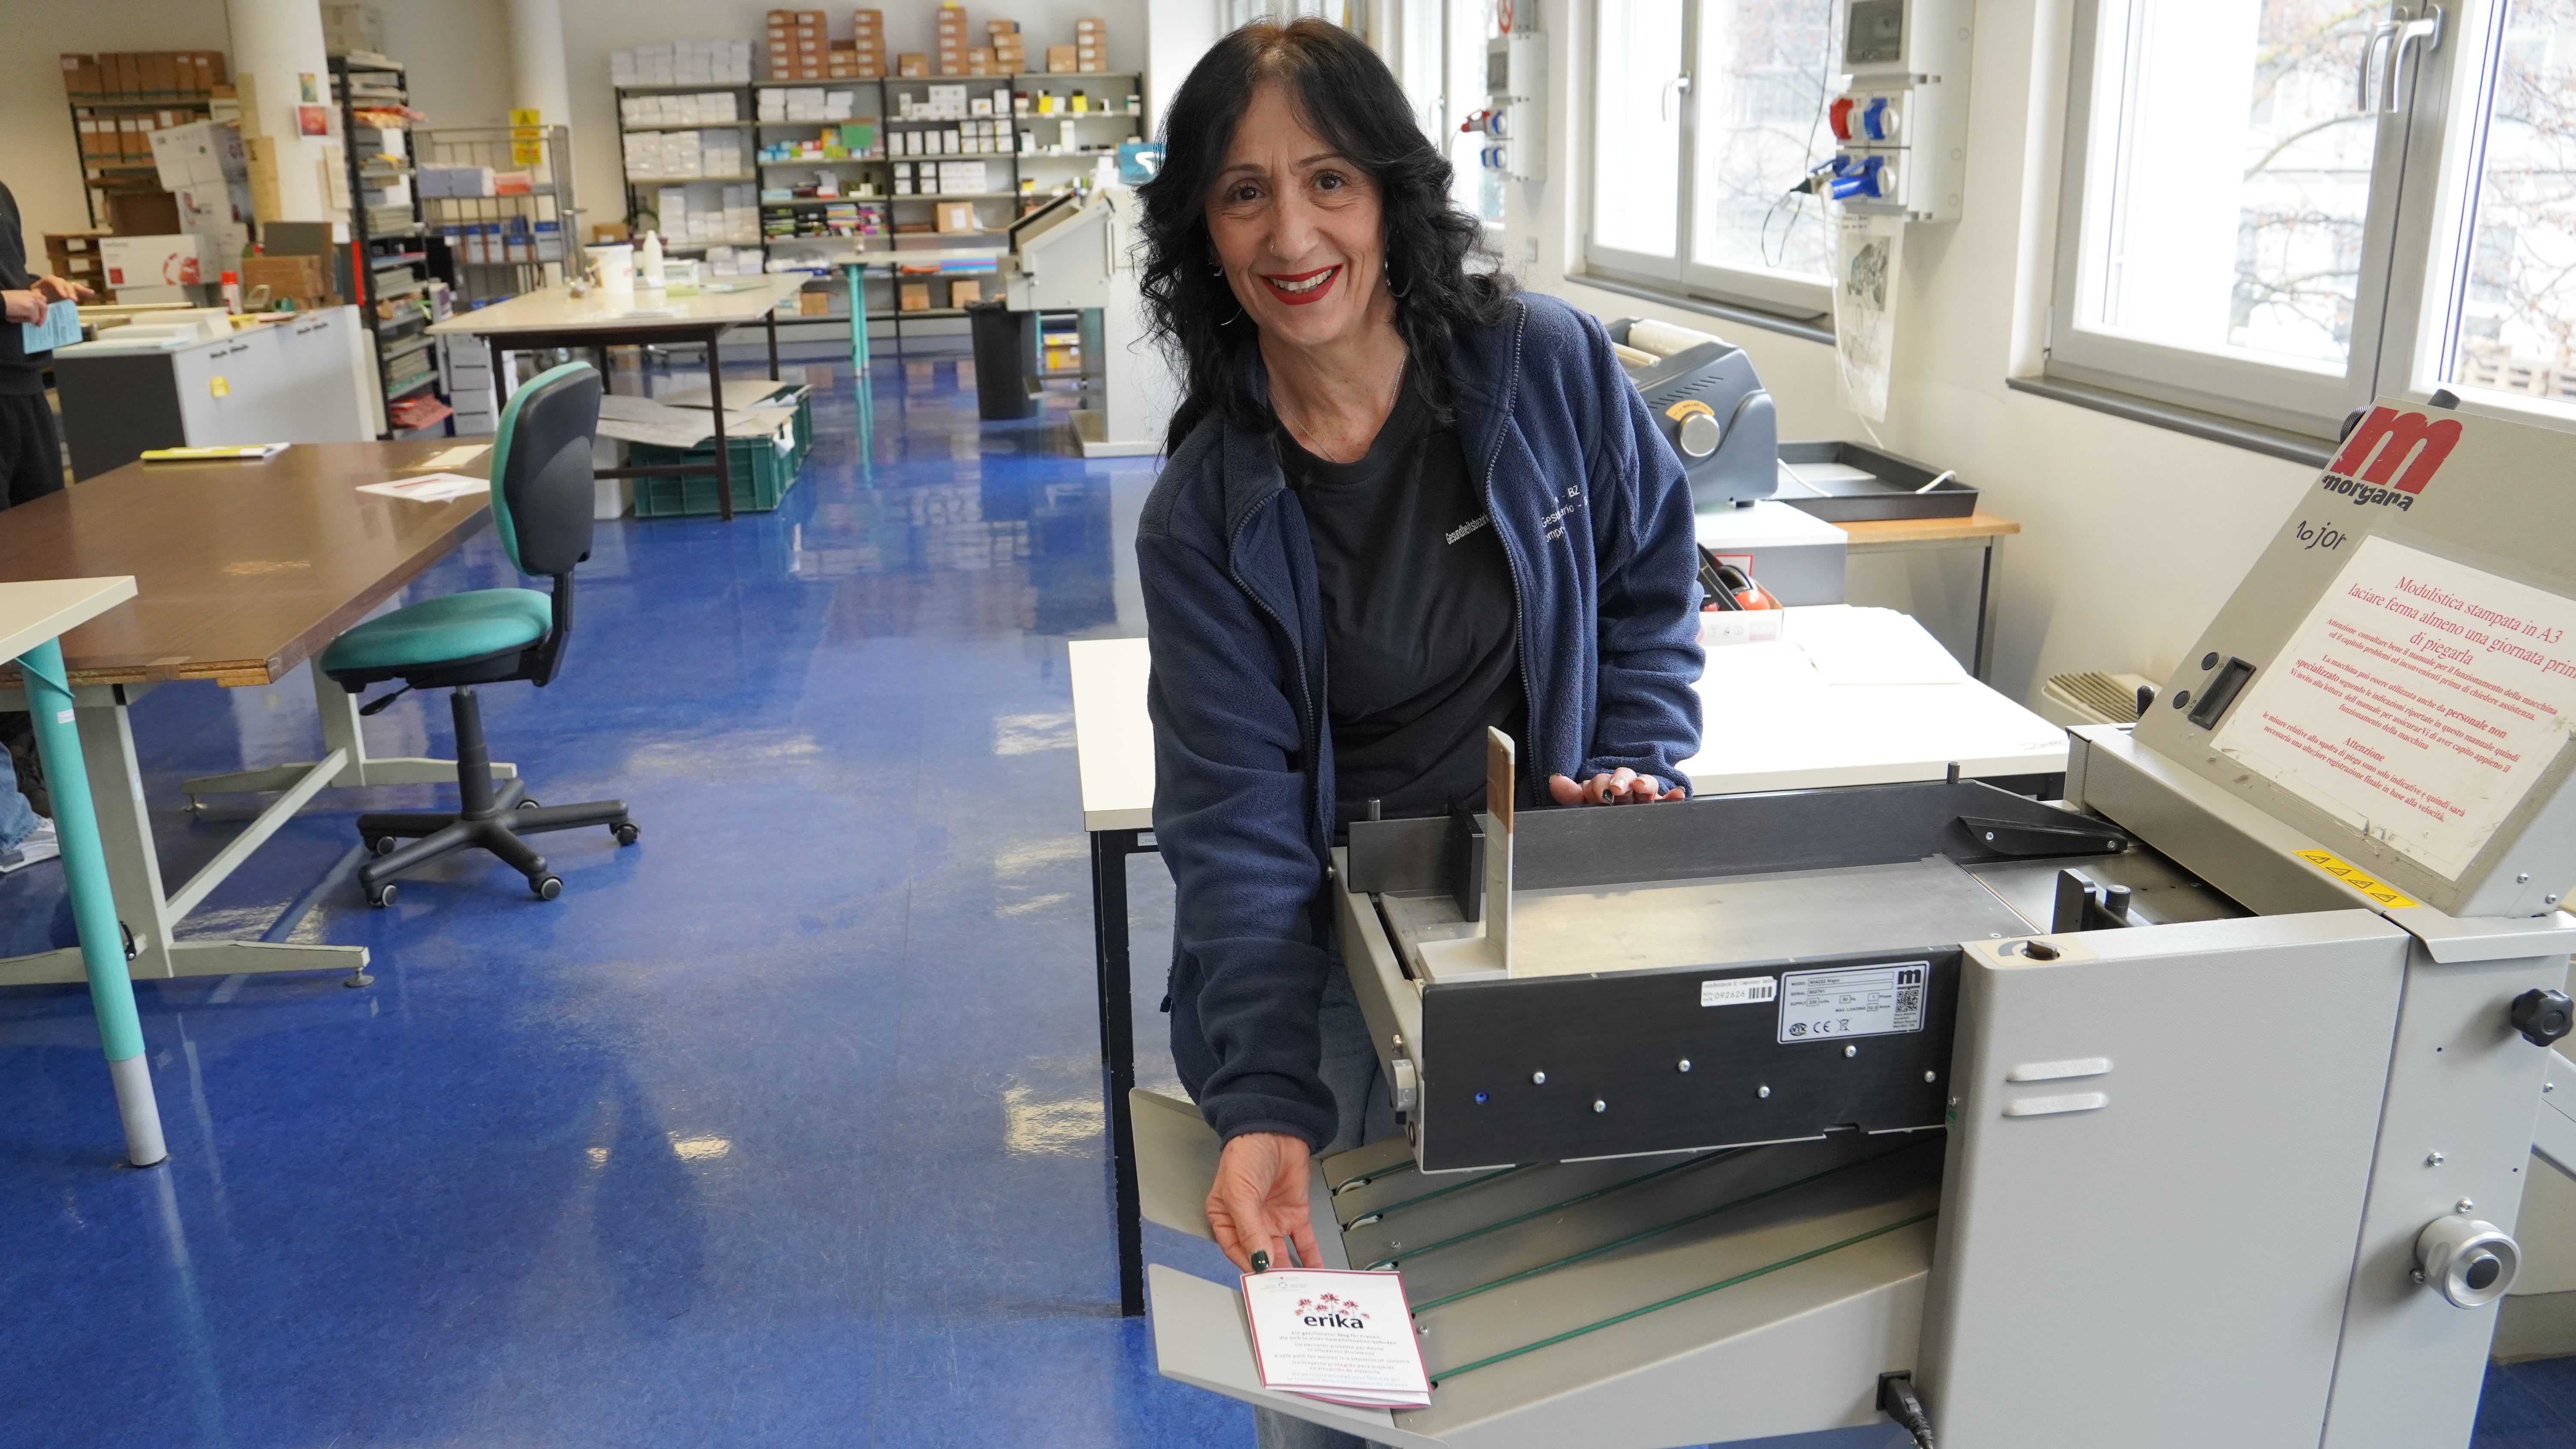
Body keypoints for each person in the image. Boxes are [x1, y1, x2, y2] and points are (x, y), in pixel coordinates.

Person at [1133, 22, 1702, 1443]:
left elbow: (1646, 585)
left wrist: (1633, 761)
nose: (1292, 233)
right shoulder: (1207, 514)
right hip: (1333, 960)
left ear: (1391, 191)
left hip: (1535, 929)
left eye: (1328, 178)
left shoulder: (1544, 368)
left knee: (1549, 1343)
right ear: (1203, 230)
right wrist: (1266, 1098)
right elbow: (1234, 823)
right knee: (1344, 1387)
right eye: (1245, 192)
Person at [0, 177, 92, 868]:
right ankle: (12, 818)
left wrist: (34, 287)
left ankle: (38, 764)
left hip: (21, 387)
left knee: (40, 573)